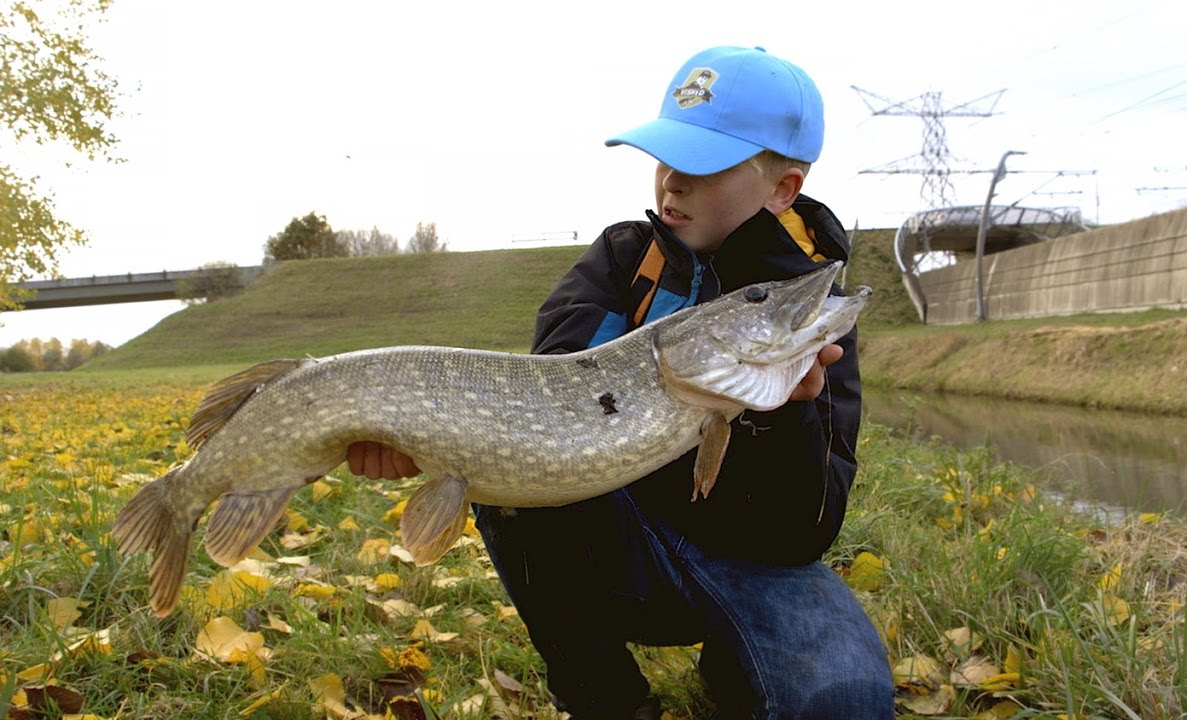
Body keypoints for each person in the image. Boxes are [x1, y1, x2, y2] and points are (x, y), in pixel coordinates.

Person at [348, 46, 893, 719]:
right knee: (518, 483)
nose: (672, 184)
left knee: (848, 703)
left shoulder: (802, 317)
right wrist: (427, 442)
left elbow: (802, 534)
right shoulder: (621, 261)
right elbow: (535, 412)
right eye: (667, 159)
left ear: (784, 188)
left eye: (705, 166)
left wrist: (783, 418)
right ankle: (607, 701)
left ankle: (733, 664)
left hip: (759, 565)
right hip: (626, 543)